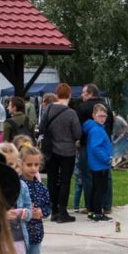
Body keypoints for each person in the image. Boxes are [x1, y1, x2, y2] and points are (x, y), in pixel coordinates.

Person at [20, 145, 51, 254]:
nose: (33, 168)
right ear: (21, 164)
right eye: (29, 164)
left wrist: (42, 213)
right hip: (17, 236)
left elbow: (48, 207)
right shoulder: (15, 184)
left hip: (35, 235)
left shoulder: (41, 188)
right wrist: (27, 213)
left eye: (36, 165)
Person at [42, 85, 82, 223]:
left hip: (51, 151)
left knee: (52, 181)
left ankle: (54, 211)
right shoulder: (71, 113)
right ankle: (63, 212)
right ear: (69, 95)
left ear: (57, 94)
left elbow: (41, 127)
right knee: (65, 181)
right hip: (67, 151)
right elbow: (77, 134)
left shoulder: (49, 109)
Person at [76, 84, 114, 214]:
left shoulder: (82, 108)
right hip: (105, 145)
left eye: (83, 92)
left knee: (88, 177)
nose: (81, 95)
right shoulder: (107, 107)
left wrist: (78, 141)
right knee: (106, 177)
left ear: (90, 93)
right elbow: (111, 127)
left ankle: (91, 207)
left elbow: (77, 129)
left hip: (88, 146)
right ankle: (107, 206)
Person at [82, 104, 113, 222]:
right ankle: (98, 213)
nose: (103, 118)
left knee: (95, 188)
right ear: (93, 115)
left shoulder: (94, 127)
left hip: (97, 164)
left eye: (104, 116)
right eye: (100, 116)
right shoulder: (97, 130)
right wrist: (107, 159)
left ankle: (92, 212)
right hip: (100, 164)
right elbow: (96, 148)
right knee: (100, 189)